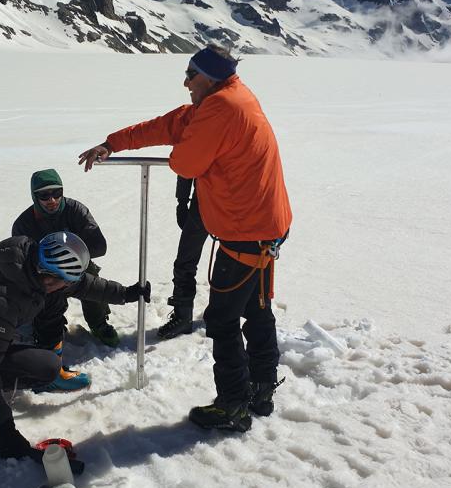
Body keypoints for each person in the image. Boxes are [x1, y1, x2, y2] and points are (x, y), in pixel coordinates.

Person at [78, 44, 292, 433]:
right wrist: (114, 143)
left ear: (208, 77)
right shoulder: (227, 98)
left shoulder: (221, 109)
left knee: (222, 319)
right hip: (266, 227)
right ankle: (260, 391)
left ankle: (232, 405)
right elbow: (170, 125)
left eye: (190, 75)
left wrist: (190, 146)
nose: (185, 82)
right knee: (258, 311)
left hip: (244, 232)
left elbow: (185, 163)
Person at [0, 231, 150, 459]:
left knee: (52, 302)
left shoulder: (31, 264)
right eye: (64, 281)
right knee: (45, 367)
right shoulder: (1, 301)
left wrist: (126, 293)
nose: (68, 286)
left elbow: (81, 284)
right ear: (47, 276)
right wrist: (6, 432)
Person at [12, 169, 119, 349]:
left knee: (91, 275)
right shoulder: (23, 224)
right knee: (39, 287)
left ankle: (98, 322)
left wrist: (68, 260)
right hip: (42, 272)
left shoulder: (76, 210)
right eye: (44, 195)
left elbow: (99, 245)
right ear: (34, 197)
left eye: (56, 193)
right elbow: (20, 261)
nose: (52, 200)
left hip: (75, 266)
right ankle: (49, 326)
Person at [157, 176, 209, 340]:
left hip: (216, 198)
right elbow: (186, 160)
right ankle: (184, 316)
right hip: (209, 198)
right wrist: (182, 201)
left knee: (186, 262)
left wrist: (182, 201)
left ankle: (185, 317)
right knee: (186, 261)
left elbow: (186, 160)